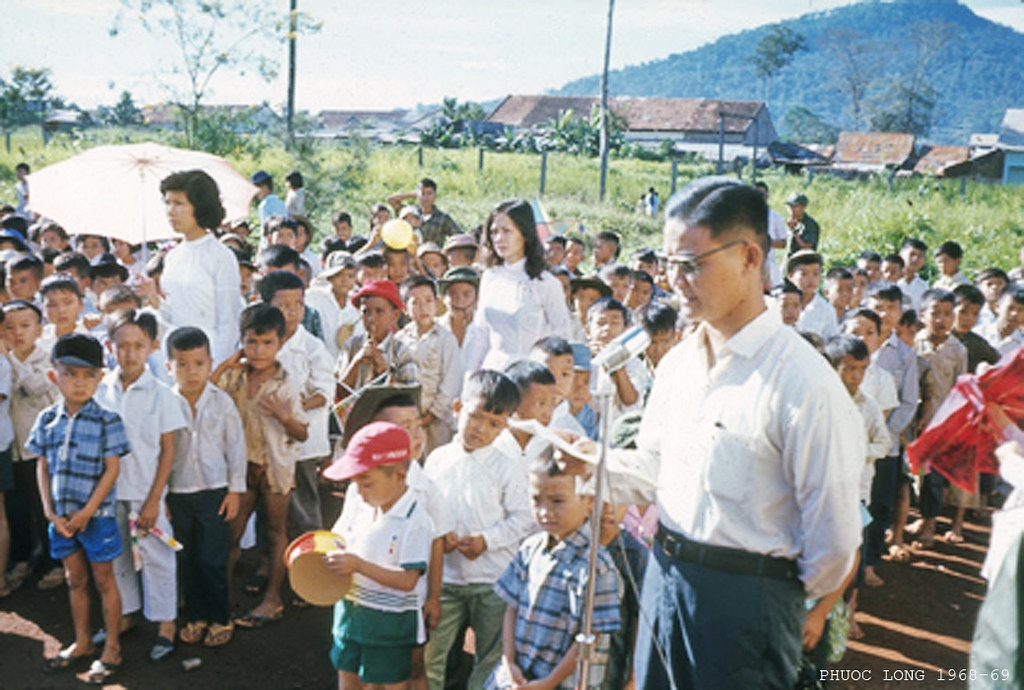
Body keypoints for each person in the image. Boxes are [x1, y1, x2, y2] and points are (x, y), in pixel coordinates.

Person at [617, 178, 863, 689]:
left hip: (748, 604)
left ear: (751, 257)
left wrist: (766, 594)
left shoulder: (803, 382)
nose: (675, 281)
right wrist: (587, 467)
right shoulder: (679, 363)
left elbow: (835, 543)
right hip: (666, 579)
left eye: (692, 264)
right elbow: (656, 468)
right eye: (669, 265)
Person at [423, 370, 532, 690]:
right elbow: (429, 514)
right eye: (475, 416)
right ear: (457, 408)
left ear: (506, 426)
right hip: (446, 579)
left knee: (490, 658)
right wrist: (440, 537)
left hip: (492, 581)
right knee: (432, 655)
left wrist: (487, 540)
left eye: (495, 423)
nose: (481, 429)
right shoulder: (437, 459)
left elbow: (522, 519)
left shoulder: (508, 467)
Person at [32, 334, 131, 685]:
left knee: (104, 580)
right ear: (53, 376)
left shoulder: (108, 420)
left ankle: (113, 647)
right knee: (75, 580)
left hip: (96, 518)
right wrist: (49, 511)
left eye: (88, 374)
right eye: (70, 374)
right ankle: (83, 641)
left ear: (100, 377)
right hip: (60, 519)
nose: (79, 382)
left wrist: (88, 511)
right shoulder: (46, 419)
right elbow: (42, 465)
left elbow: (113, 469)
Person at [95, 309, 188, 662]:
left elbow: (168, 449)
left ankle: (166, 626)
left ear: (151, 347)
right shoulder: (100, 390)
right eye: (122, 346)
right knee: (117, 557)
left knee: (157, 558)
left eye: (138, 345)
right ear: (110, 347)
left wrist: (154, 499)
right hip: (109, 493)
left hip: (146, 492)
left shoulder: (160, 393)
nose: (130, 353)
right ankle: (125, 615)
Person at [487, 449, 621, 690]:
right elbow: (511, 609)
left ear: (589, 501)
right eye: (536, 500)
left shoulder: (597, 567)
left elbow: (589, 639)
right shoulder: (531, 548)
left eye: (557, 501)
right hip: (518, 677)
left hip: (563, 683)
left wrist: (549, 682)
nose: (545, 511)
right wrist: (509, 663)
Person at [215, 303, 309, 628]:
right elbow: (207, 396)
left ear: (280, 343)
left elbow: (302, 432)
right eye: (251, 342)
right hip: (241, 470)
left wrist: (285, 417)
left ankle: (273, 598)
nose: (258, 351)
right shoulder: (234, 377)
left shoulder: (286, 383)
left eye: (267, 343)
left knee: (275, 532)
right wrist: (226, 364)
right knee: (231, 533)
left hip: (274, 468)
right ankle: (220, 595)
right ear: (242, 341)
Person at [323, 421, 434, 690]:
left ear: (399, 475)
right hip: (350, 614)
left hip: (391, 625)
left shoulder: (416, 521)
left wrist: (358, 565)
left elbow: (408, 580)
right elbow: (337, 540)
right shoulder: (357, 499)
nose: (359, 491)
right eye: (355, 482)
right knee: (347, 678)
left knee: (386, 684)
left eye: (367, 483)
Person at [165, 327, 246, 649]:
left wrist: (234, 490)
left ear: (210, 363)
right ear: (169, 365)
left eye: (199, 363)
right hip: (178, 493)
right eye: (182, 364)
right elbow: (161, 453)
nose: (191, 371)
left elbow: (235, 448)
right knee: (186, 558)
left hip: (214, 492)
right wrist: (161, 497)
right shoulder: (166, 403)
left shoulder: (221, 402)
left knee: (213, 558)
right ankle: (197, 616)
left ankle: (221, 616)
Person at [258, 271, 334, 538]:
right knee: (271, 514)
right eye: (284, 306)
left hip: (302, 444)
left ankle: (312, 567)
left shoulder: (312, 347)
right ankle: (272, 565)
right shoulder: (259, 344)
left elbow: (325, 392)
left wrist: (296, 407)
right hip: (265, 441)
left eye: (299, 304)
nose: (292, 312)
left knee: (303, 511)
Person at [2, 300, 63, 592]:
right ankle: (23, 560)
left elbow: (35, 387)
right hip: (11, 447)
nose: (17, 333)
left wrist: (10, 360)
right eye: (9, 327)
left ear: (39, 328)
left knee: (44, 507)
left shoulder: (47, 356)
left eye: (25, 326)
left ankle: (57, 563)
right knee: (16, 508)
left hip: (40, 449)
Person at [158, 170, 242, 365]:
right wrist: (153, 299)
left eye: (179, 204)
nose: (171, 211)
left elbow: (228, 323)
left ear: (199, 207)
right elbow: (175, 310)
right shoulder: (172, 256)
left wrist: (215, 368)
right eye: (168, 203)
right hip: (176, 357)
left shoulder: (221, 257)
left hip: (208, 356)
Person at [476, 199, 572, 370]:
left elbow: (562, 337)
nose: (499, 239)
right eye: (494, 232)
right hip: (492, 373)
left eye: (507, 231)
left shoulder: (546, 283)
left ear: (525, 234)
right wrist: (470, 376)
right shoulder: (490, 277)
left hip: (530, 377)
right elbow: (480, 335)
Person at [909, 289, 968, 548]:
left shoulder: (958, 350)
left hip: (941, 423)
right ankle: (918, 516)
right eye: (935, 313)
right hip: (913, 418)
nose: (941, 320)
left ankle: (930, 523)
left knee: (933, 475)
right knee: (914, 473)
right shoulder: (913, 341)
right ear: (923, 315)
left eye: (947, 314)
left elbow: (960, 388)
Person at [396, 276, 462, 455]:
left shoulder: (445, 339)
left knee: (437, 462)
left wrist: (431, 415)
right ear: (405, 308)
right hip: (407, 418)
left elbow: (451, 380)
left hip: (437, 419)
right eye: (415, 302)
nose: (423, 307)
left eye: (428, 300)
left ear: (437, 303)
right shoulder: (400, 340)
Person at [338, 280, 419, 395]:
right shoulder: (351, 345)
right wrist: (356, 362)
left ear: (394, 315)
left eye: (379, 311)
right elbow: (337, 395)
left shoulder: (402, 351)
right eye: (366, 312)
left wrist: (383, 371)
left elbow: (410, 398)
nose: (371, 319)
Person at [387, 178, 462, 247]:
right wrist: (411, 195)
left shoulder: (443, 218)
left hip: (432, 257)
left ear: (435, 196)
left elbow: (460, 236)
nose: (426, 198)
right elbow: (391, 200)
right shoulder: (410, 212)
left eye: (429, 194)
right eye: (423, 194)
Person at [788, 249, 838, 341]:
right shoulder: (777, 305)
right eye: (804, 274)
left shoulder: (826, 310)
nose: (811, 279)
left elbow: (830, 344)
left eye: (816, 274)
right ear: (790, 276)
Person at [897, 238, 930, 311]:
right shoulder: (891, 281)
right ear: (901, 255)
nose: (916, 259)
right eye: (912, 254)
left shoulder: (924, 287)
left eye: (920, 256)